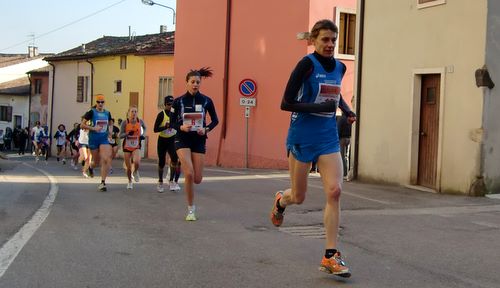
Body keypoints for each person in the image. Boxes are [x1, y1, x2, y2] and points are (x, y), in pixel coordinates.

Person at [269, 19, 356, 277]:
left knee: (335, 190)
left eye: (333, 40)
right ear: (314, 41)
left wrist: (346, 109)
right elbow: (286, 102)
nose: (330, 44)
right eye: (325, 40)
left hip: (328, 136)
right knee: (298, 196)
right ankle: (280, 201)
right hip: (302, 136)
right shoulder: (307, 64)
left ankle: (331, 254)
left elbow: (335, 93)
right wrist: (319, 108)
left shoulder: (340, 67)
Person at [171, 67, 219, 221]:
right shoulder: (178, 101)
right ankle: (191, 209)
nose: (195, 84)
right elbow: (171, 122)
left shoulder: (206, 100)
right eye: (192, 82)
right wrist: (180, 127)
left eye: (198, 82)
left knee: (197, 178)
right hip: (182, 138)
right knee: (189, 173)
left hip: (198, 139)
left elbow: (215, 120)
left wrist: (206, 129)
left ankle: (184, 166)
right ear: (187, 83)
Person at [81, 94, 113, 192]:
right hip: (93, 139)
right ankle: (90, 167)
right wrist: (93, 128)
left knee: (106, 159)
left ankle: (102, 182)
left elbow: (111, 123)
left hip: (103, 138)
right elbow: (82, 125)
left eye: (102, 102)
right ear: (96, 103)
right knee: (97, 162)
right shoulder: (91, 112)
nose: (100, 104)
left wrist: (110, 132)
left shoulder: (107, 113)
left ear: (104, 103)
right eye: (98, 102)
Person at [154, 95, 182, 193]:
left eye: (172, 104)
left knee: (174, 160)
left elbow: (179, 125)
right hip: (162, 140)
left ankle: (171, 181)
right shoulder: (161, 114)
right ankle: (160, 181)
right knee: (162, 162)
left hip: (172, 139)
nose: (170, 106)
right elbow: (155, 129)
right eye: (169, 104)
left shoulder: (176, 114)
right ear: (165, 104)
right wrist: (165, 127)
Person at [120, 106, 146, 190]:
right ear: (128, 113)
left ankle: (135, 171)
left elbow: (145, 128)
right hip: (127, 146)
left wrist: (143, 135)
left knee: (137, 161)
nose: (134, 113)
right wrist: (127, 134)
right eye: (132, 111)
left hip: (136, 145)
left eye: (135, 111)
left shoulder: (140, 121)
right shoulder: (125, 122)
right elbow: (120, 135)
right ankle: (130, 181)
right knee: (128, 167)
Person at [337, 111, 352, 180]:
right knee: (347, 157)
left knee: (342, 156)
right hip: (349, 138)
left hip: (342, 139)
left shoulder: (341, 119)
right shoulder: (349, 119)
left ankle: (344, 173)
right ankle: (347, 171)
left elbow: (338, 129)